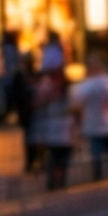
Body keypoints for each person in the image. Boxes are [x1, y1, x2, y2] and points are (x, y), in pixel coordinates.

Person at [71, 50, 108, 179]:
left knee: (96, 154)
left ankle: (98, 177)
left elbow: (77, 104)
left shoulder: (85, 86)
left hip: (93, 124)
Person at [30, 61, 74, 190]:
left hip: (57, 129)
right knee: (59, 157)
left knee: (56, 157)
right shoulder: (51, 87)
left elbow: (37, 104)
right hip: (60, 130)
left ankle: (56, 180)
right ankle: (58, 181)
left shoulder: (48, 87)